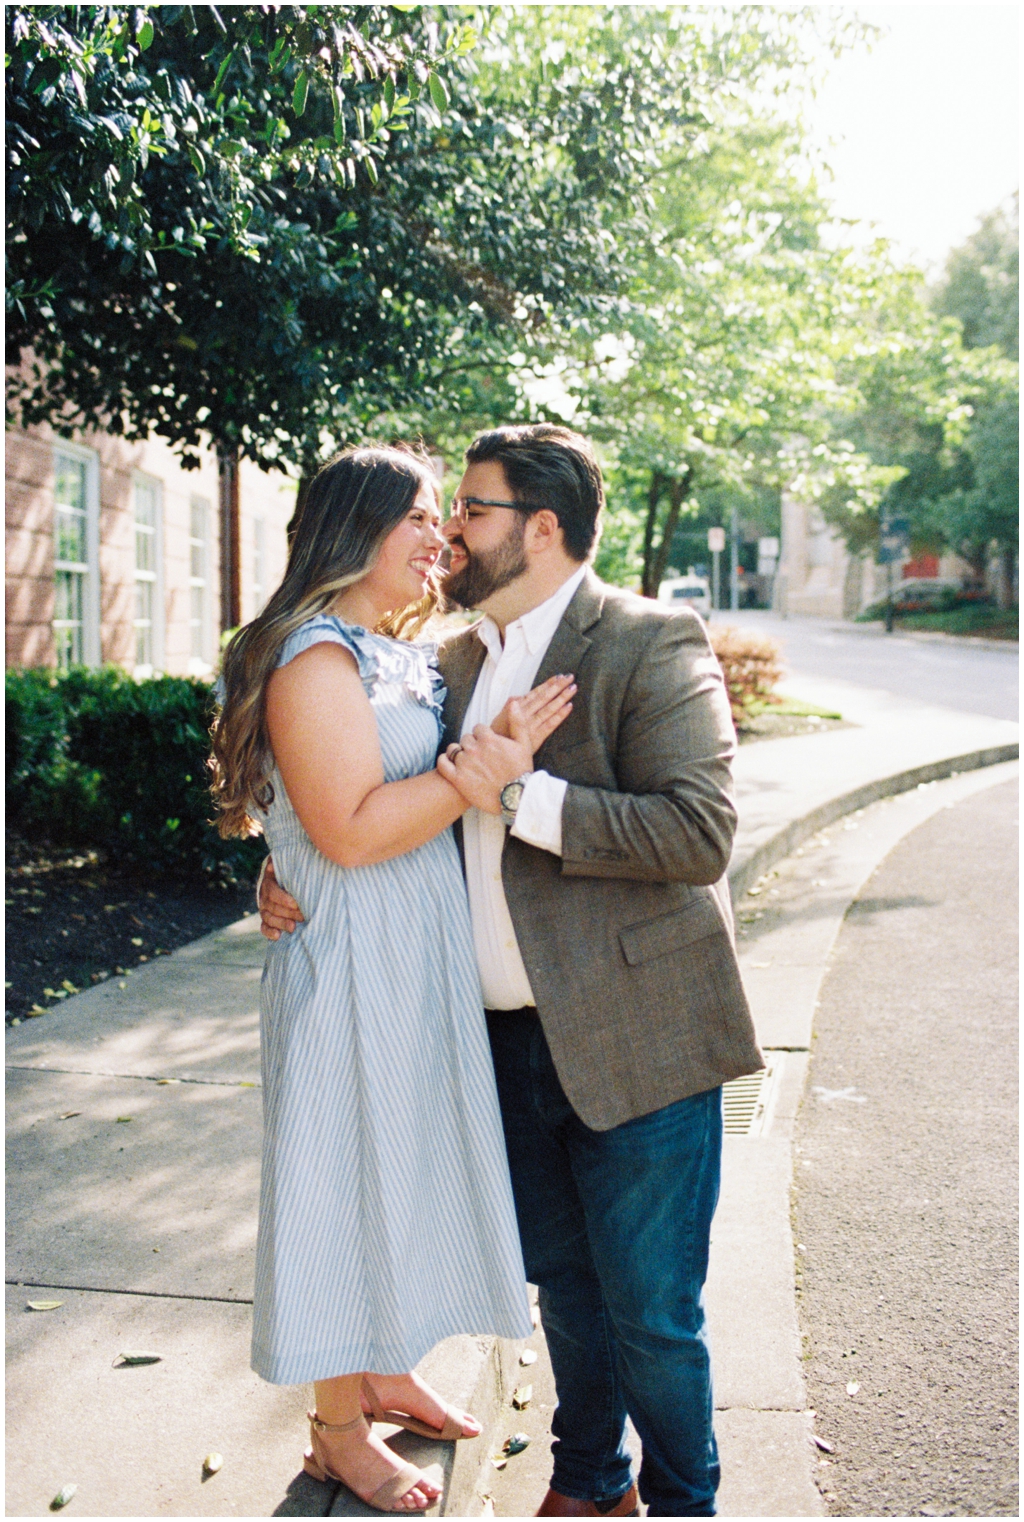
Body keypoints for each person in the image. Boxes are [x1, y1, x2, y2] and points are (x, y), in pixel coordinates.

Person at [259, 424, 764, 1518]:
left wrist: (513, 793)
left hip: (635, 1036)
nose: (449, 534)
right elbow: (359, 789)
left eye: (471, 510)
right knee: (568, 1295)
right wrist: (285, 867)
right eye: (442, 513)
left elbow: (699, 833)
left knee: (653, 1314)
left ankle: (687, 1501)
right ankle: (588, 1482)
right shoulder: (449, 658)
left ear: (539, 528)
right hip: (491, 1040)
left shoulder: (644, 635)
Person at [211, 445, 576, 1513]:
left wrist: (282, 858)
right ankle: (334, 1430)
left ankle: (381, 1368)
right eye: (418, 518)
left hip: (411, 961)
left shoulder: (388, 650)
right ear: (352, 527)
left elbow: (320, 817)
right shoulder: (315, 657)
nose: (441, 538)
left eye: (444, 520)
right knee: (340, 1179)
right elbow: (353, 831)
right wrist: (481, 775)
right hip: (348, 966)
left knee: (399, 1168)